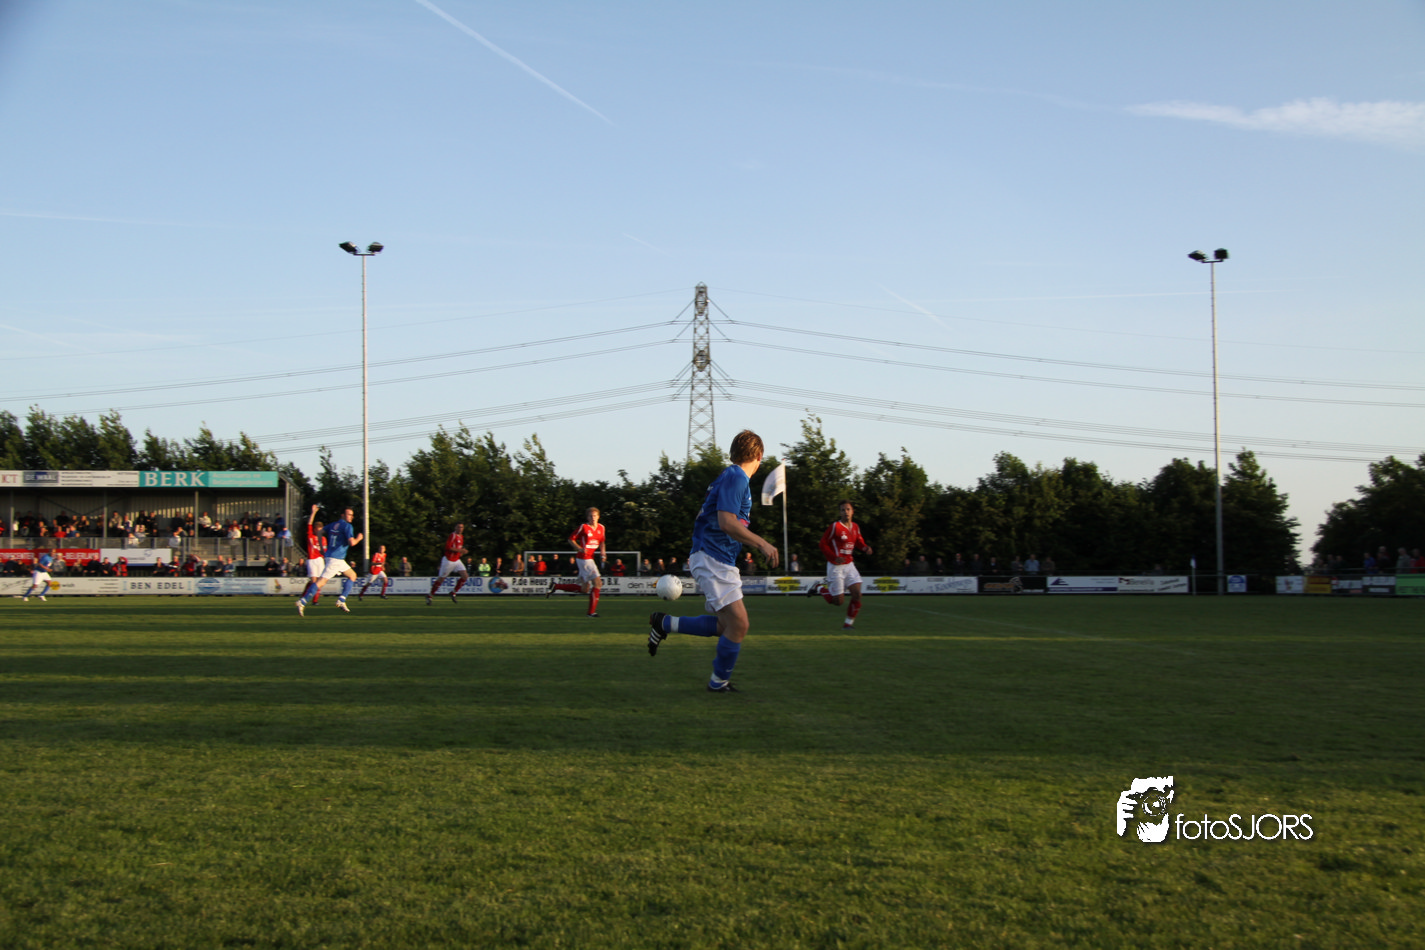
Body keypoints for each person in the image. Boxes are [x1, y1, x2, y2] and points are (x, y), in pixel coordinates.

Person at [647, 429, 780, 693]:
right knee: (739, 624)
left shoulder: (730, 476)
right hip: (713, 557)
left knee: (725, 626)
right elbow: (726, 522)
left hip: (714, 557)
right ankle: (718, 682)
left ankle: (665, 623)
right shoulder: (737, 477)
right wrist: (762, 543)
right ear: (759, 456)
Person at [806, 500, 873, 629]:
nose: (846, 512)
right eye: (843, 510)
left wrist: (865, 548)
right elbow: (822, 544)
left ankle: (848, 624)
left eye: (848, 509)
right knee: (837, 601)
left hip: (849, 565)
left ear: (852, 511)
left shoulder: (855, 527)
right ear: (840, 513)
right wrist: (834, 557)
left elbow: (858, 541)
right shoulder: (835, 527)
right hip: (835, 567)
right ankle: (819, 587)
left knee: (857, 594)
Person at [296, 507, 363, 615]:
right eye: (349, 514)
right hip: (335, 559)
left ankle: (342, 600)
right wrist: (359, 538)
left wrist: (322, 549)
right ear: (342, 515)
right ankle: (302, 601)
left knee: (352, 576)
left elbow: (319, 533)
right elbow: (352, 543)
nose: (351, 517)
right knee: (321, 582)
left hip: (336, 558)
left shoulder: (333, 525)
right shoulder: (347, 526)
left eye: (352, 515)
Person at [548, 507, 607, 617]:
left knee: (585, 589)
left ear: (598, 517)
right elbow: (571, 539)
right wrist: (579, 548)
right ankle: (591, 613)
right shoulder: (583, 527)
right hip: (584, 558)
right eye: (590, 516)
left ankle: (556, 586)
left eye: (595, 516)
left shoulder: (601, 528)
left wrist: (603, 553)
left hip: (590, 558)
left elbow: (602, 542)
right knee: (598, 583)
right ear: (587, 517)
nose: (593, 518)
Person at [428, 523, 470, 605]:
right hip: (449, 560)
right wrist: (460, 551)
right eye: (459, 527)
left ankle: (453, 592)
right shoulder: (452, 535)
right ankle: (430, 595)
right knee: (441, 579)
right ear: (455, 528)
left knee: (465, 576)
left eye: (462, 527)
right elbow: (448, 547)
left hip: (457, 560)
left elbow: (458, 548)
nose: (460, 528)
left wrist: (461, 552)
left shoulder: (461, 536)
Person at [296, 505, 327, 608]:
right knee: (314, 581)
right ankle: (308, 598)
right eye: (318, 530)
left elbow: (325, 551)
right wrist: (313, 512)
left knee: (319, 581)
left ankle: (313, 599)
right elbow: (309, 523)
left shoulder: (323, 539)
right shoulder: (311, 536)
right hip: (312, 560)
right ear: (314, 529)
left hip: (320, 560)